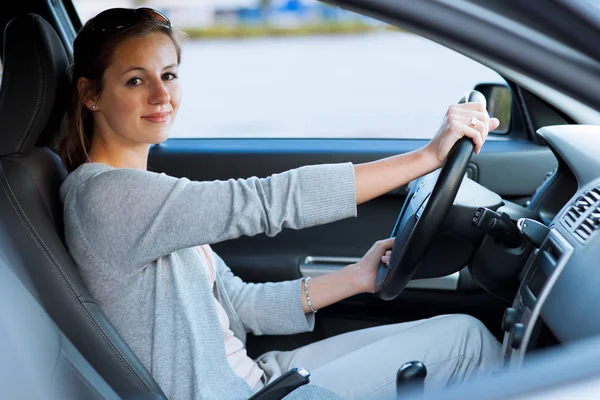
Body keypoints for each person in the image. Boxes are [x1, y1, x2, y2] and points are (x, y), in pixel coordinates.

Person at [58, 7, 503, 400]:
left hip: (260, 376)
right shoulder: (106, 196)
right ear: (90, 94)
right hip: (240, 393)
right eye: (136, 80)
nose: (161, 95)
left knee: (465, 333)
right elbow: (267, 201)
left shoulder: (146, 192)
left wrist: (357, 277)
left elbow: (241, 304)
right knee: (471, 349)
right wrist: (426, 157)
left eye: (169, 74)